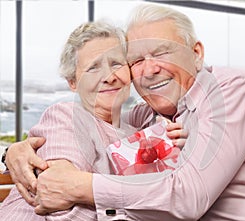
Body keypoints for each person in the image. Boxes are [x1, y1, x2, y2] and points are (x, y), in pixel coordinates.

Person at [4, 4, 245, 221]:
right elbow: (92, 120)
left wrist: (79, 186)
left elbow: (187, 196)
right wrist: (12, 153)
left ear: (196, 53)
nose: (149, 69)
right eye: (136, 60)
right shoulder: (147, 116)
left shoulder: (229, 88)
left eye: (161, 52)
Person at [0, 19, 184, 220]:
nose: (109, 76)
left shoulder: (137, 127)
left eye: (116, 63)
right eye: (93, 68)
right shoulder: (67, 116)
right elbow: (61, 208)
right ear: (73, 82)